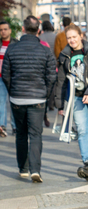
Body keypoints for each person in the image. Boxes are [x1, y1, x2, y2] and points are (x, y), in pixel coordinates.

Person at [2, 16, 57, 182]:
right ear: (38, 30)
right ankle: (35, 170)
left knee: (20, 134)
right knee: (35, 134)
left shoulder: (11, 49)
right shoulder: (45, 50)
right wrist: (45, 94)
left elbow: (5, 74)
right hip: (38, 98)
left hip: (18, 99)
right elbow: (51, 76)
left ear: (23, 29)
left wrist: (13, 91)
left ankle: (23, 169)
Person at [55, 24, 88, 182]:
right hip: (77, 98)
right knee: (82, 131)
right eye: (69, 38)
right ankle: (87, 163)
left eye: (74, 37)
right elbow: (61, 81)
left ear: (81, 36)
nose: (72, 40)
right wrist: (60, 104)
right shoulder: (65, 55)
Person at [0, 19, 18, 137]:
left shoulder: (16, 44)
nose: (3, 32)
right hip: (0, 78)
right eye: (1, 30)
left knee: (14, 103)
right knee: (1, 102)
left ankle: (15, 126)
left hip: (13, 78)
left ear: (10, 30)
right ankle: (2, 126)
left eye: (5, 29)